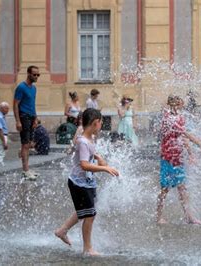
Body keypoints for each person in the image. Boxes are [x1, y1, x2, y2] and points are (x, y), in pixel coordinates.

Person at [54, 108, 120, 256]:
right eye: (101, 123)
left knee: (85, 211)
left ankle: (62, 230)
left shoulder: (88, 139)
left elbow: (87, 152)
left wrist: (97, 156)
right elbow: (84, 164)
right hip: (79, 183)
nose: (101, 126)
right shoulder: (83, 141)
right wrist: (105, 169)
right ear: (95, 123)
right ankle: (87, 248)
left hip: (85, 181)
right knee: (90, 215)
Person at [156, 95, 201, 225]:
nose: (181, 105)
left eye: (180, 103)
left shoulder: (180, 117)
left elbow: (182, 139)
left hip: (178, 157)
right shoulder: (168, 118)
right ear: (173, 104)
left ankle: (189, 216)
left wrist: (191, 154)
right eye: (179, 103)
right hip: (168, 157)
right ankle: (159, 217)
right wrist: (200, 144)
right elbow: (185, 133)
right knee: (165, 189)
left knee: (182, 188)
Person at [13, 65, 40, 180]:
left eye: (38, 75)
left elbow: (32, 104)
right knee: (25, 144)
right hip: (23, 117)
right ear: (28, 74)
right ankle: (25, 171)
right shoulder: (21, 87)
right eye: (34, 74)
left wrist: (35, 118)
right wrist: (18, 121)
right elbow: (15, 105)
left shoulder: (34, 88)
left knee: (28, 144)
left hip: (31, 117)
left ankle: (27, 168)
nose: (36, 76)